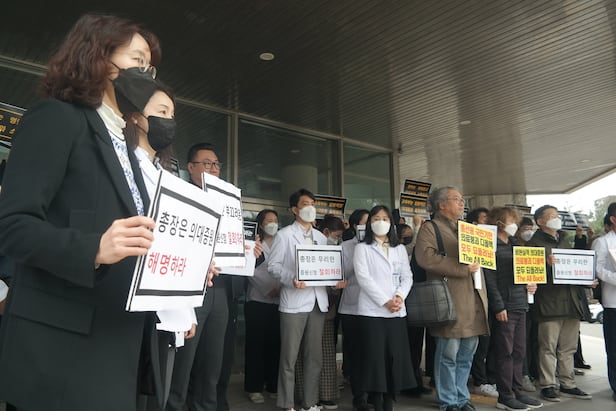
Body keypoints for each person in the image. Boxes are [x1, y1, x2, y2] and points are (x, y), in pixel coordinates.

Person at [0, 14, 165, 411]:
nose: (146, 75)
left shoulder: (125, 143)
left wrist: (184, 269)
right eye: (137, 60)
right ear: (99, 57)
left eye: (150, 67)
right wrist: (92, 248)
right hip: (61, 349)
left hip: (115, 339)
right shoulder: (57, 117)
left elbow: (134, 236)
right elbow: (12, 225)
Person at [124, 84, 200, 411]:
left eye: (172, 114)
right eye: (161, 111)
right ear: (135, 116)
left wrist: (187, 308)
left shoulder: (166, 177)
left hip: (165, 310)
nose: (168, 120)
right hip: (130, 306)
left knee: (157, 394)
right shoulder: (124, 165)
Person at [415, 186, 489, 411]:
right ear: (441, 205)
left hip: (474, 297)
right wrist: (461, 268)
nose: (461, 203)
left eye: (462, 199)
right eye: (456, 199)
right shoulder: (430, 227)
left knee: (467, 354)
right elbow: (426, 258)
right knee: (449, 353)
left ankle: (462, 397)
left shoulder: (467, 229)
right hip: (451, 297)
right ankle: (448, 401)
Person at [268, 188, 330, 411]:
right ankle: (287, 404)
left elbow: (327, 266)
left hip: (317, 301)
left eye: (313, 203)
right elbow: (273, 266)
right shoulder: (284, 235)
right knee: (289, 357)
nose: (310, 208)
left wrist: (335, 279)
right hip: (294, 303)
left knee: (314, 357)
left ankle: (310, 403)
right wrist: (290, 278)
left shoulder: (321, 238)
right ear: (294, 209)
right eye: (305, 204)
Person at [354, 205, 416, 411]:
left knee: (393, 357)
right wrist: (385, 301)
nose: (380, 222)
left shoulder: (399, 249)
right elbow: (364, 278)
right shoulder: (362, 248)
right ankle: (377, 401)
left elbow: (407, 276)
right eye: (376, 218)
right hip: (372, 312)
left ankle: (389, 401)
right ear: (370, 223)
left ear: (391, 223)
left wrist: (399, 297)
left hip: (396, 311)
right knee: (375, 358)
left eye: (385, 218)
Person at [528, 205, 591, 402]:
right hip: (549, 303)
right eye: (552, 216)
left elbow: (573, 267)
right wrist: (545, 266)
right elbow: (529, 275)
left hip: (571, 301)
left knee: (568, 348)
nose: (557, 219)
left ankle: (568, 382)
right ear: (540, 221)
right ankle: (547, 384)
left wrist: (586, 279)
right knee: (547, 347)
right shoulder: (533, 244)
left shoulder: (564, 240)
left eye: (557, 216)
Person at [483, 207, 542, 411]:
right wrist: (498, 306)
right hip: (505, 305)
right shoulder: (490, 246)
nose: (514, 225)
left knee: (519, 351)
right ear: (498, 222)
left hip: (521, 303)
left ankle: (517, 391)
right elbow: (490, 279)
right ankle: (505, 395)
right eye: (511, 221)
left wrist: (531, 284)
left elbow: (526, 272)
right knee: (505, 352)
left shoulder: (516, 244)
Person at [244, 209, 282, 403]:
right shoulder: (253, 242)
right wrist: (268, 289)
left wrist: (280, 288)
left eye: (275, 220)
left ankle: (273, 384)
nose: (273, 224)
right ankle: (254, 387)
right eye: (268, 221)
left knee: (275, 345)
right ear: (260, 224)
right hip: (257, 300)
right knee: (256, 346)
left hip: (279, 301)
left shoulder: (282, 242)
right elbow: (249, 270)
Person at [338, 209, 372, 411]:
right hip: (352, 307)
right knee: (357, 353)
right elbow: (342, 273)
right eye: (364, 223)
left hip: (375, 307)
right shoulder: (345, 246)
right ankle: (360, 396)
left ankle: (374, 392)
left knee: (373, 352)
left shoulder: (381, 245)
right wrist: (360, 251)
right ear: (354, 226)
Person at [466, 208, 497, 398]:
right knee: (476, 343)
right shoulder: (467, 242)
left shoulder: (495, 242)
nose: (488, 222)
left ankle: (487, 378)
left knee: (488, 342)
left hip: (492, 297)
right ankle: (479, 380)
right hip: (474, 298)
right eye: (484, 219)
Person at [591, 203, 616, 401]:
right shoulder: (602, 242)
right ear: (613, 219)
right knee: (614, 348)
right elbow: (597, 269)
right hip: (613, 302)